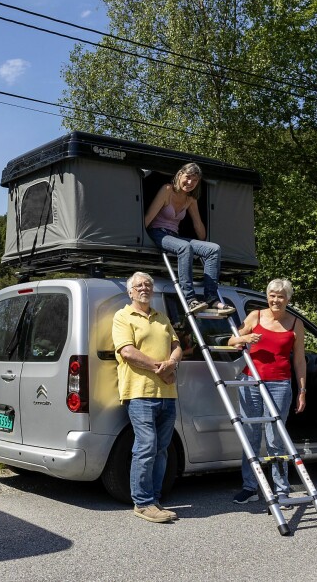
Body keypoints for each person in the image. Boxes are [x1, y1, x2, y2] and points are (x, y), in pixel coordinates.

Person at [227, 278, 307, 505]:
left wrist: (302, 390)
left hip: (280, 384)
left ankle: (281, 488)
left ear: (288, 299)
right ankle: (250, 487)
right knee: (250, 434)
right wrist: (246, 338)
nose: (275, 300)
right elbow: (232, 340)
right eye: (272, 295)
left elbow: (300, 360)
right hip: (251, 380)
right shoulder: (256, 316)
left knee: (276, 439)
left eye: (280, 296)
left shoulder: (294, 324)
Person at [111, 271, 183, 523]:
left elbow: (177, 346)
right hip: (140, 392)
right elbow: (127, 352)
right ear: (130, 292)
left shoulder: (161, 316)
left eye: (148, 285)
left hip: (167, 392)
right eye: (139, 285)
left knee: (162, 449)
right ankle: (142, 503)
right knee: (146, 446)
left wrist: (172, 363)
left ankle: (154, 499)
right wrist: (160, 369)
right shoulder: (122, 316)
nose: (144, 288)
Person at [145, 163, 234, 316]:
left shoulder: (190, 200)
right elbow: (149, 218)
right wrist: (139, 237)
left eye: (195, 180)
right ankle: (190, 299)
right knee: (185, 247)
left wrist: (205, 238)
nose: (190, 183)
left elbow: (199, 228)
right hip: (158, 232)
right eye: (188, 177)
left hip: (175, 236)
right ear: (180, 175)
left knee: (214, 249)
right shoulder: (167, 190)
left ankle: (211, 298)